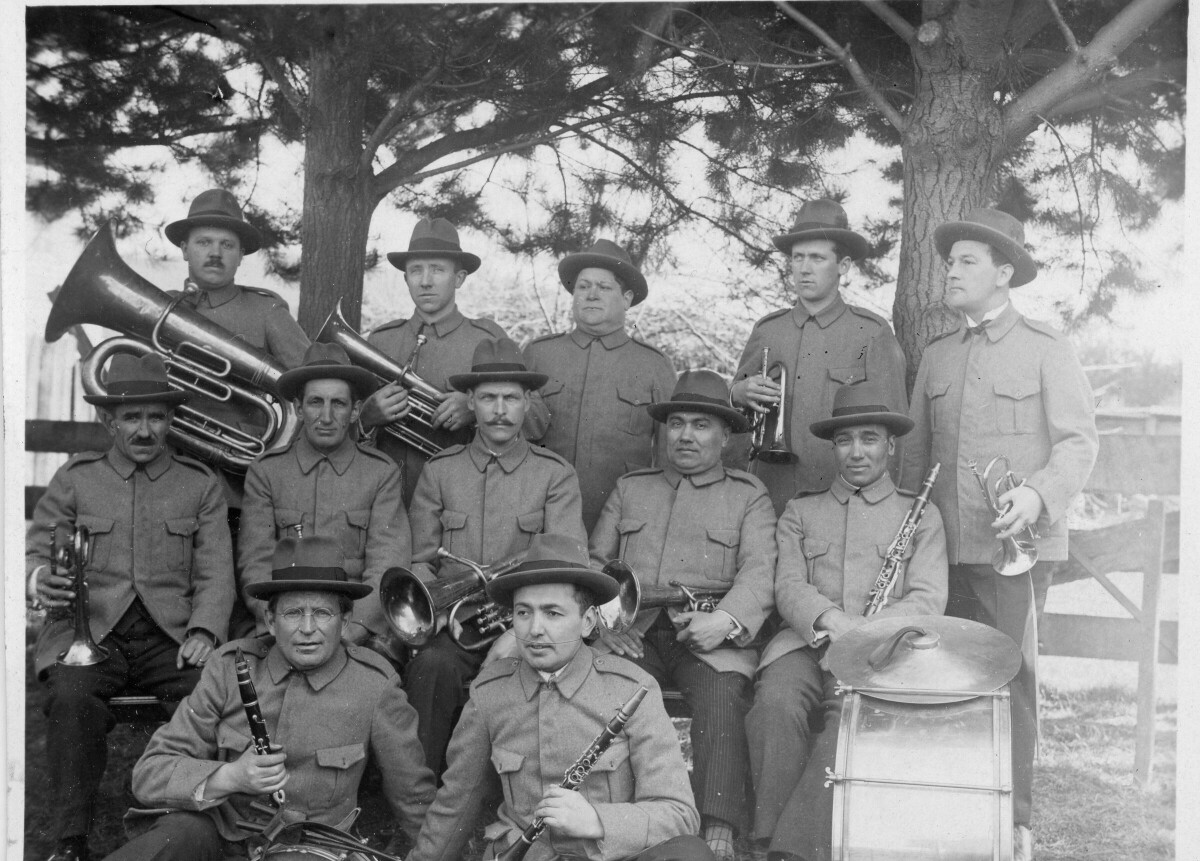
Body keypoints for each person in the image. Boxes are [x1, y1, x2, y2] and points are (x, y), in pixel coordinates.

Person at [900, 207, 1098, 861]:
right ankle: (948, 811)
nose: (951, 272)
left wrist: (1039, 492)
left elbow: (1079, 443)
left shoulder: (1046, 347)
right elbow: (912, 464)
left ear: (1004, 272)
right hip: (939, 556)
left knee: (1010, 681)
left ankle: (1014, 823)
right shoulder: (935, 356)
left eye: (966, 261)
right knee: (935, 680)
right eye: (949, 261)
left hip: (1012, 553)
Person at [100, 536, 436, 861]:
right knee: (177, 835)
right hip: (221, 839)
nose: (307, 628)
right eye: (292, 614)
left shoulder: (373, 685)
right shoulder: (229, 668)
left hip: (309, 850)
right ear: (270, 622)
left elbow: (413, 799)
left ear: (345, 622)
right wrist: (231, 776)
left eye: (322, 613)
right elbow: (148, 775)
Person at [25, 353, 234, 861]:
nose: (145, 430)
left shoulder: (199, 483)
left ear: (170, 421)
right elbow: (34, 551)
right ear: (108, 421)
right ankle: (70, 840)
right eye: (132, 417)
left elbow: (215, 571)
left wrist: (205, 631)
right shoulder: (76, 479)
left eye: (156, 417)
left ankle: (193, 827)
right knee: (72, 699)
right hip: (92, 635)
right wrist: (38, 579)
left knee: (213, 699)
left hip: (172, 638)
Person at [408, 532, 713, 861]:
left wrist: (596, 821)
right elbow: (455, 804)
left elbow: (679, 815)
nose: (535, 629)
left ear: (587, 622)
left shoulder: (633, 689)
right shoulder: (490, 693)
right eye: (524, 613)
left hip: (609, 856)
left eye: (553, 613)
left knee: (690, 853)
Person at [745, 382, 948, 859]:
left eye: (870, 439)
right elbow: (788, 585)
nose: (856, 452)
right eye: (844, 440)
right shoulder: (801, 509)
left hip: (879, 652)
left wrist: (861, 634)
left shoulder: (921, 515)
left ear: (891, 446)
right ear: (834, 447)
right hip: (804, 643)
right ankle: (766, 836)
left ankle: (791, 849)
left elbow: (927, 598)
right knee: (774, 706)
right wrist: (831, 621)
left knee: (849, 721)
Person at [589, 370, 777, 861]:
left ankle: (717, 823)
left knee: (721, 692)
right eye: (676, 424)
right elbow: (592, 564)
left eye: (701, 425)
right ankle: (622, 814)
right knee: (611, 688)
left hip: (710, 632)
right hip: (632, 631)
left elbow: (761, 570)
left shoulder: (748, 494)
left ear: (726, 436)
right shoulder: (631, 488)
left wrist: (728, 620)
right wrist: (603, 629)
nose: (686, 435)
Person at [405, 337, 587, 777]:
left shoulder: (554, 474)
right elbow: (420, 559)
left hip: (528, 621)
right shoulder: (441, 471)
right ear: (471, 402)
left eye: (510, 398)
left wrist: (516, 632)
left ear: (528, 403)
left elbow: (567, 565)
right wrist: (431, 618)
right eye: (488, 398)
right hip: (456, 622)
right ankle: (427, 796)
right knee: (432, 666)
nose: (500, 410)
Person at [164, 187, 311, 637]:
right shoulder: (161, 308)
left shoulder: (264, 311)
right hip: (173, 487)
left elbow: (313, 380)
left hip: (239, 493)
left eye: (226, 245)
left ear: (240, 255)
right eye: (205, 243)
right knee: (173, 603)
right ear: (185, 248)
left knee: (239, 613)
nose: (215, 253)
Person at [729, 199, 908, 515]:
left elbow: (894, 435)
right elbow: (736, 418)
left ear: (844, 266)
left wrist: (881, 510)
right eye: (797, 258)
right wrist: (739, 394)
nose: (804, 268)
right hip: (770, 494)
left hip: (842, 499)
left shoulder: (872, 332)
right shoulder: (768, 330)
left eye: (817, 258)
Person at [238, 342, 411, 650]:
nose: (327, 416)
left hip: (357, 632)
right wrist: (285, 624)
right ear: (298, 408)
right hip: (283, 629)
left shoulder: (380, 473)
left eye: (339, 404)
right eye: (316, 402)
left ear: (356, 410)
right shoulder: (267, 472)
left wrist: (352, 628)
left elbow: (386, 564)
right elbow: (256, 563)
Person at [523, 239, 677, 532]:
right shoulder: (538, 355)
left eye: (604, 288)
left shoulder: (654, 366)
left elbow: (670, 459)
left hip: (620, 520)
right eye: (583, 286)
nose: (591, 295)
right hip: (538, 516)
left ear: (628, 298)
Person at [358, 217, 508, 504]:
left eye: (437, 270)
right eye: (416, 270)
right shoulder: (380, 341)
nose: (425, 281)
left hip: (463, 500)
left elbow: (534, 413)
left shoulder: (487, 340)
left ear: (460, 278)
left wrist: (475, 408)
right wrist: (366, 417)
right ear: (405, 279)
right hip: (384, 502)